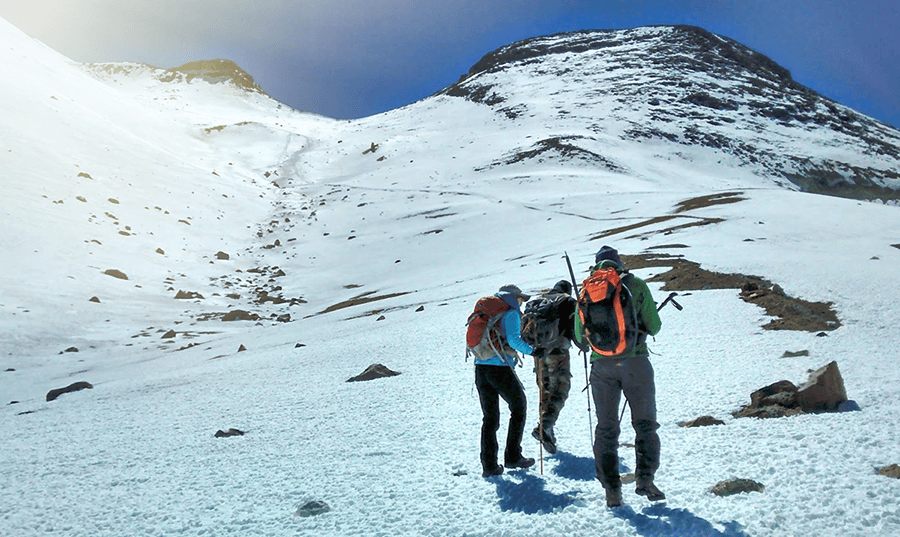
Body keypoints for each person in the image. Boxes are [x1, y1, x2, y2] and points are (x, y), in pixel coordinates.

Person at [574, 246, 664, 508]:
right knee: (645, 424)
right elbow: (655, 325)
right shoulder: (635, 284)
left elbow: (580, 337)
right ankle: (645, 480)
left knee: (606, 428)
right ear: (619, 263)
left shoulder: (586, 290)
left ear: (596, 265)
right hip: (635, 362)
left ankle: (611, 490)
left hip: (601, 367)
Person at [472, 284, 536, 478]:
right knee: (519, 407)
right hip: (499, 368)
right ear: (513, 298)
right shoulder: (510, 313)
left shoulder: (487, 312)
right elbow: (515, 341)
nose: (521, 303)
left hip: (480, 368)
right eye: (520, 299)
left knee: (490, 418)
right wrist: (534, 351)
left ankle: (489, 466)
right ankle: (513, 456)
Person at [528, 280, 577, 455]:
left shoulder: (540, 301)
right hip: (558, 352)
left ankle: (546, 429)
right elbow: (574, 328)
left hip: (539, 354)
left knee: (545, 390)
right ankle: (546, 426)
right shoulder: (567, 301)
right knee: (561, 389)